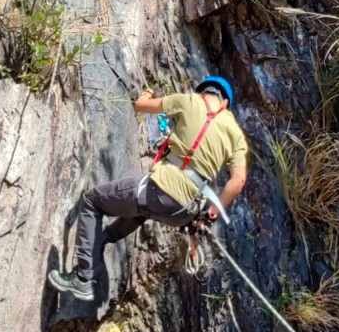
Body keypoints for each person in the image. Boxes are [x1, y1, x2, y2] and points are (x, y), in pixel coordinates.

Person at [49, 75, 248, 300]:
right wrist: (211, 213)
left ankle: (83, 278)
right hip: (185, 211)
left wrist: (146, 94)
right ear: (225, 103)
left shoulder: (190, 101)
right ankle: (99, 242)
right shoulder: (236, 135)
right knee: (139, 211)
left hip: (161, 189)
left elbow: (141, 106)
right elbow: (237, 181)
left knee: (92, 202)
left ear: (204, 91)